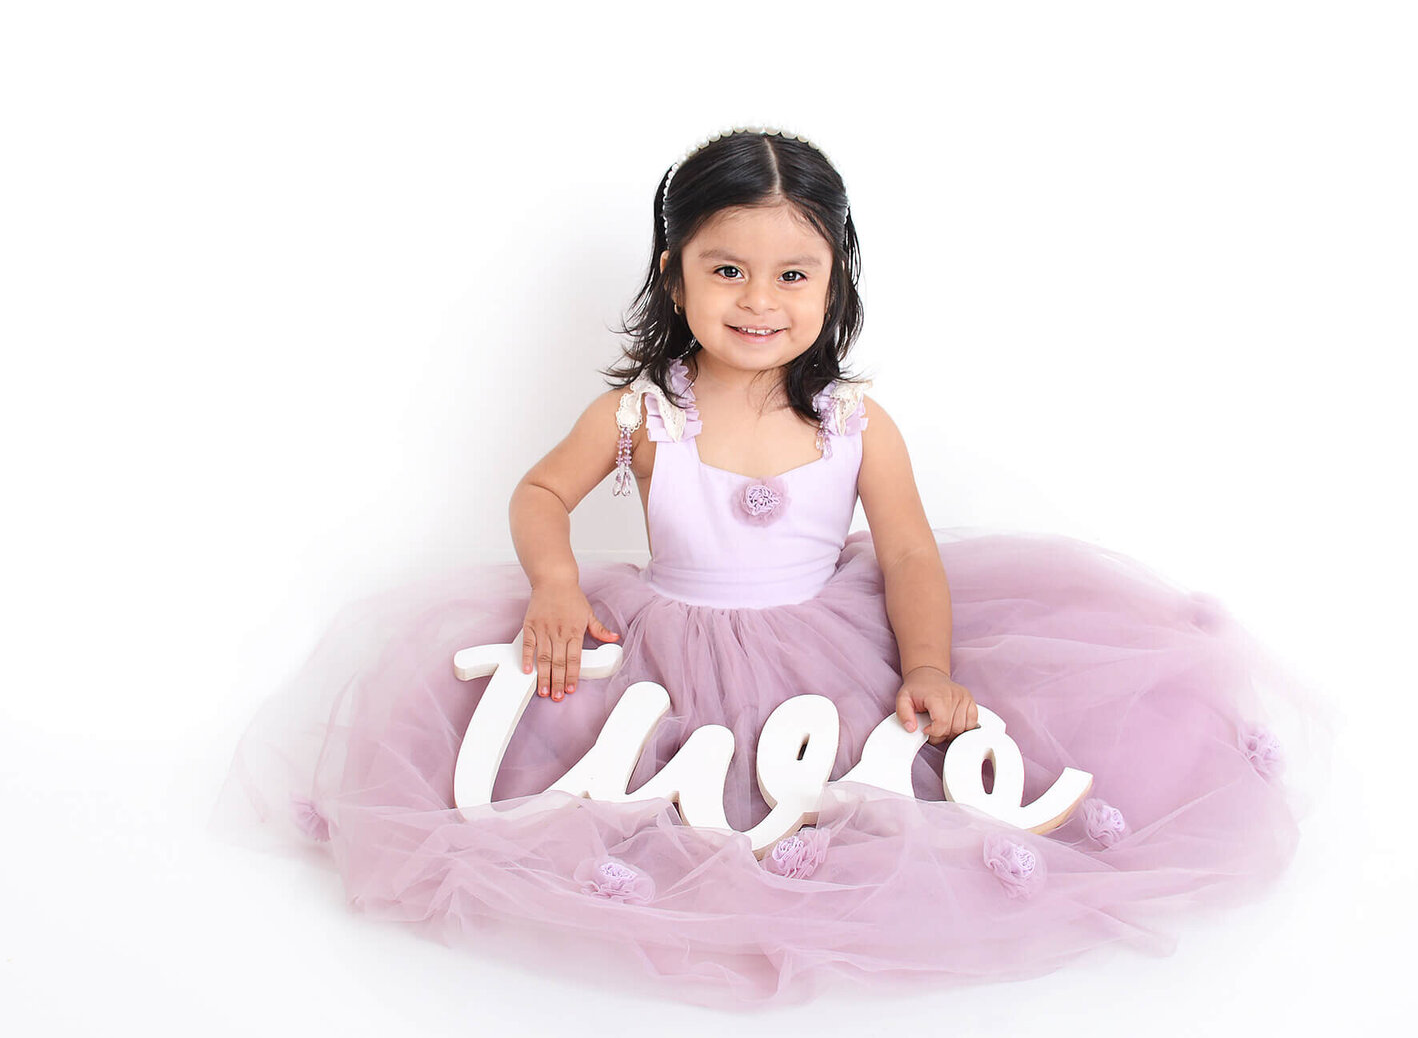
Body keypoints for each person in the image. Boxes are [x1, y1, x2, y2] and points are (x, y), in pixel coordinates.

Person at [213, 125, 1329, 1008]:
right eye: (728, 269)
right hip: (672, 642)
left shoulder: (852, 421)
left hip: (823, 646)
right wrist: (557, 585)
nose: (759, 300)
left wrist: (929, 661)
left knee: (878, 779)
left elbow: (903, 549)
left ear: (835, 277)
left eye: (793, 274)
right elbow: (540, 492)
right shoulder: (647, 411)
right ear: (675, 271)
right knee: (613, 770)